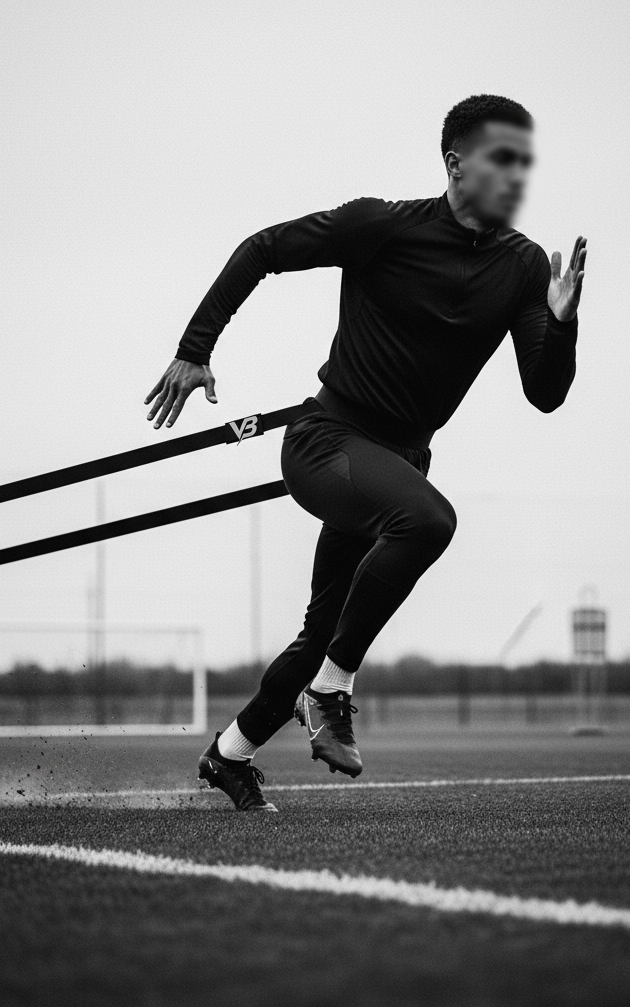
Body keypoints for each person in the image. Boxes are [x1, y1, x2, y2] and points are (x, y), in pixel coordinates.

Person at [144, 94, 587, 812]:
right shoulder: (381, 225)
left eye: (524, 163)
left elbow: (545, 391)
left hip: (399, 465)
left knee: (324, 627)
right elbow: (262, 248)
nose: (516, 176)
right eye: (501, 159)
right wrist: (194, 352)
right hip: (328, 443)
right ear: (455, 163)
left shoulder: (525, 264)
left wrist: (564, 324)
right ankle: (330, 689)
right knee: (429, 524)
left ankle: (230, 754)